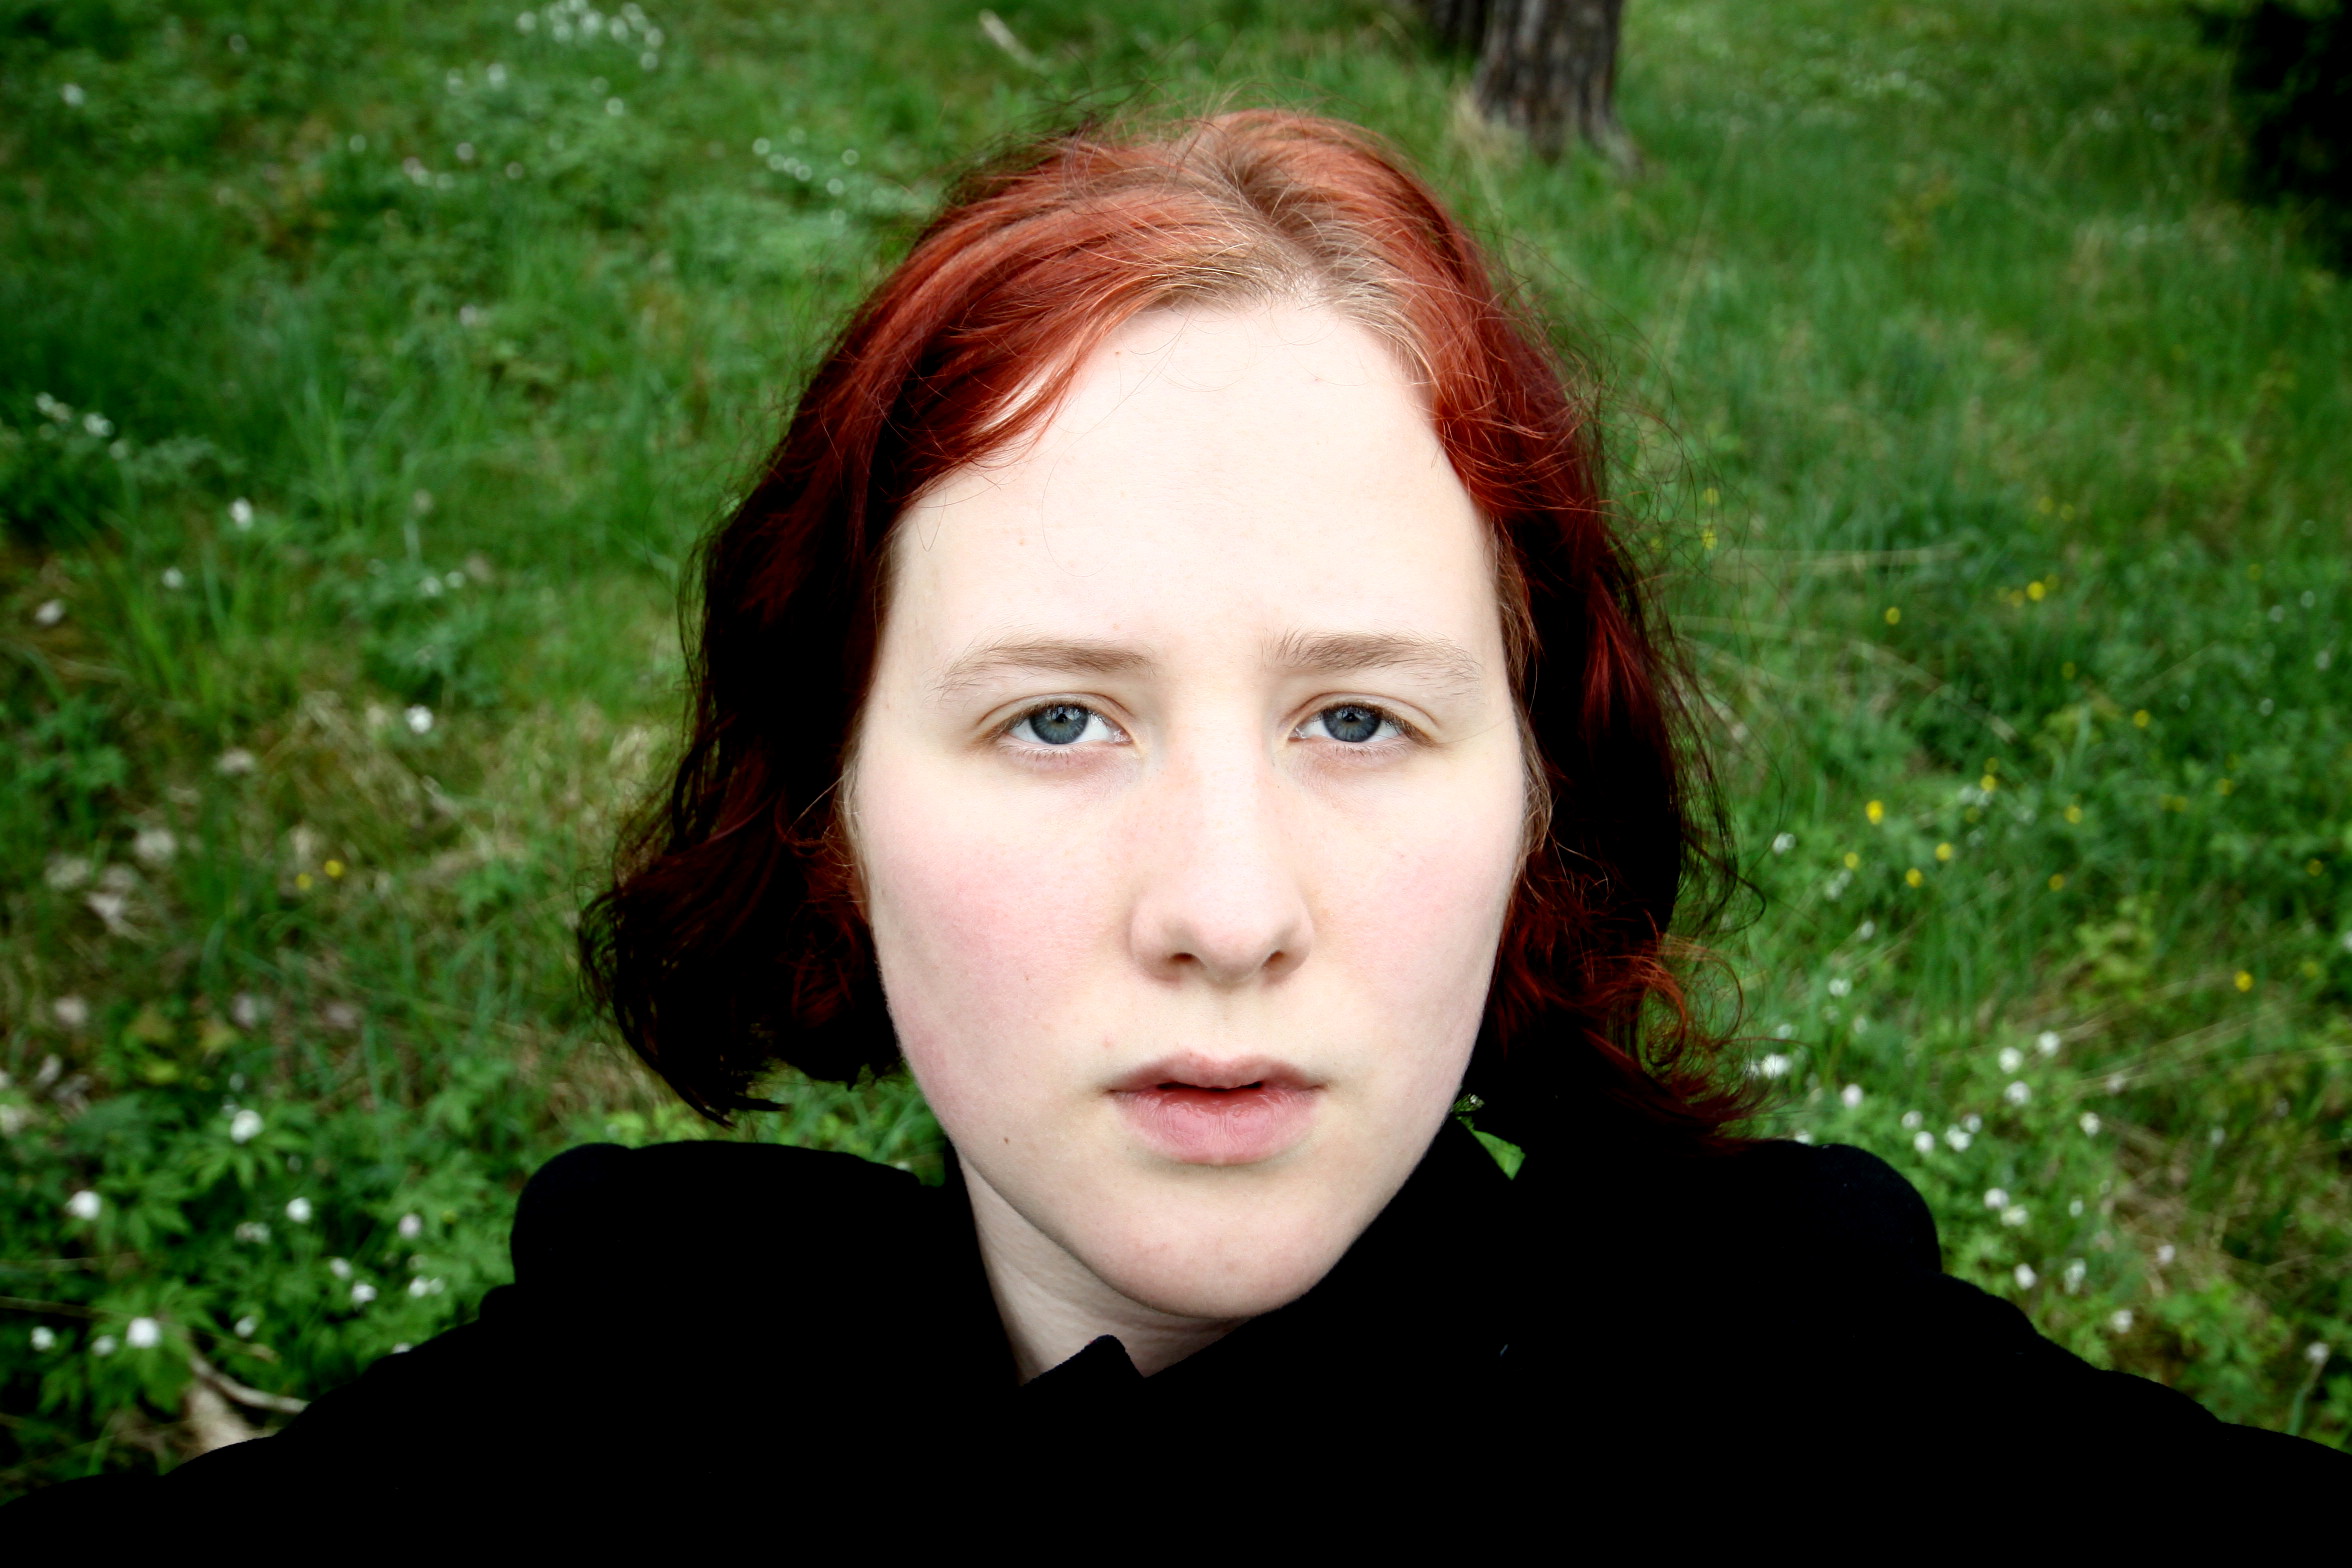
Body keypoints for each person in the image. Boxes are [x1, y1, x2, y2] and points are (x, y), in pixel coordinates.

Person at [7, 109, 2341, 1543]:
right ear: (830, 805)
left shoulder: (1797, 1408)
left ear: (1539, 795)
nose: (1227, 909)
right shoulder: (633, 1388)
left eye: (1358, 716)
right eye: (1056, 719)